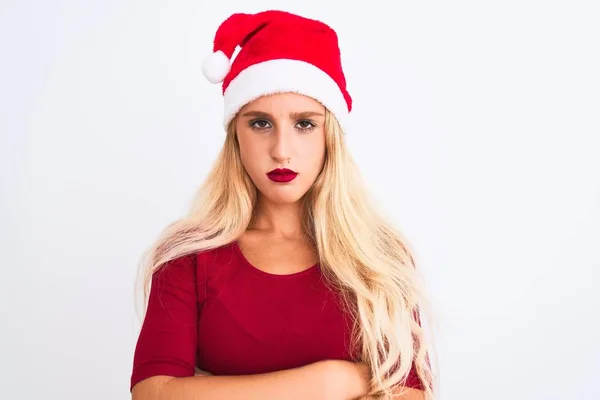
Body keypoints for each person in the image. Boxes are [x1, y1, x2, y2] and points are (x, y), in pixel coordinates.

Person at [130, 9, 435, 400]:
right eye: (260, 123)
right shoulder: (187, 256)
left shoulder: (379, 257)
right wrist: (337, 381)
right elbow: (154, 393)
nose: (282, 151)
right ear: (235, 135)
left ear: (330, 137)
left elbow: (410, 395)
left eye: (305, 124)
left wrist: (208, 389)